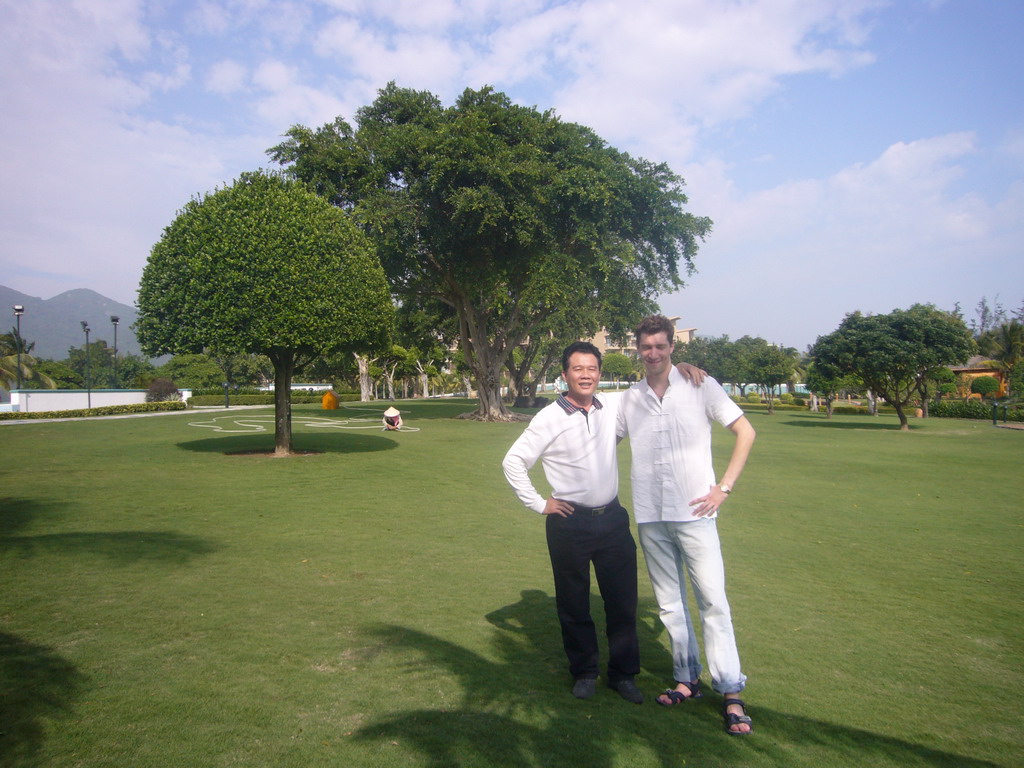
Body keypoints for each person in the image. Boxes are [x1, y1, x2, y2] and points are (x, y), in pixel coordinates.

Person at [502, 341, 704, 704]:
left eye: (592, 369)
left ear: (599, 373)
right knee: (574, 603)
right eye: (578, 369)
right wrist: (539, 503)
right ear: (565, 375)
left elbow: (649, 385)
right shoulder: (549, 417)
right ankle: (584, 671)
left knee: (622, 603)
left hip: (611, 520)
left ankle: (623, 675)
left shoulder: (610, 404)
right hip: (569, 523)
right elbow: (513, 462)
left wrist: (680, 367)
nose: (586, 375)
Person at [616, 315, 756, 734]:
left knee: (713, 602)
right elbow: (603, 438)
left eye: (660, 346)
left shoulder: (700, 385)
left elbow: (745, 432)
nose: (653, 353)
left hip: (696, 514)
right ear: (637, 349)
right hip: (651, 515)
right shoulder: (629, 398)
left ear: (672, 346)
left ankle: (730, 689)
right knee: (670, 605)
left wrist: (723, 488)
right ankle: (687, 679)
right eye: (646, 347)